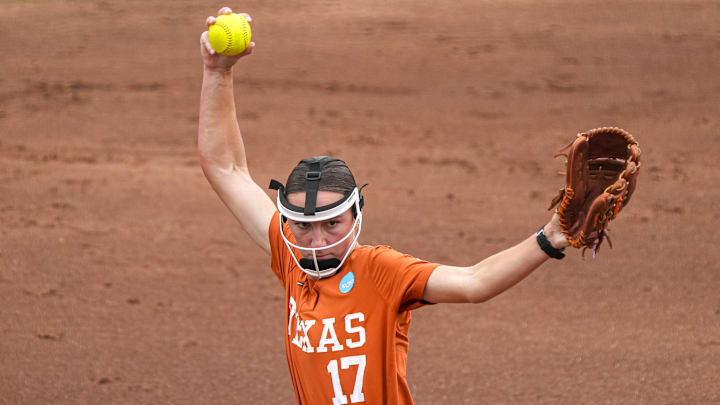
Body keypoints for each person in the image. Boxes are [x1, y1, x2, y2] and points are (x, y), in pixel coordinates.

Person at [198, 7, 570, 405]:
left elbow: (474, 282)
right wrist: (218, 73)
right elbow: (226, 168)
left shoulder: (381, 271)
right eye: (302, 226)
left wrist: (550, 238)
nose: (316, 241)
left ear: (357, 216)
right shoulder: (291, 256)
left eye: (332, 224)